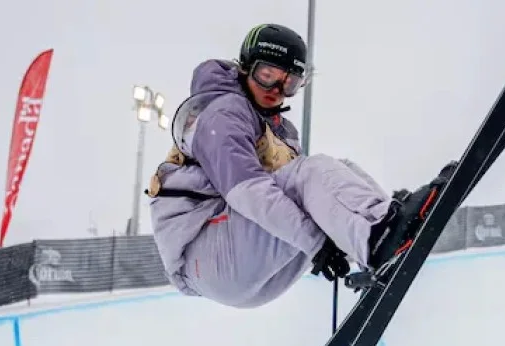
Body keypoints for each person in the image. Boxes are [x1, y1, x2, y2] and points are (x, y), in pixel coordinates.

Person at [148, 23, 454, 308]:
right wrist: (317, 244)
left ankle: (383, 228)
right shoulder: (223, 112)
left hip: (245, 270)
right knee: (311, 171)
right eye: (267, 75)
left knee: (338, 169)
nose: (276, 90)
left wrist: (331, 244)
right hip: (206, 254)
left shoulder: (280, 131)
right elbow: (249, 194)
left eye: (289, 82)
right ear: (245, 68)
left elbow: (312, 202)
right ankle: (380, 239)